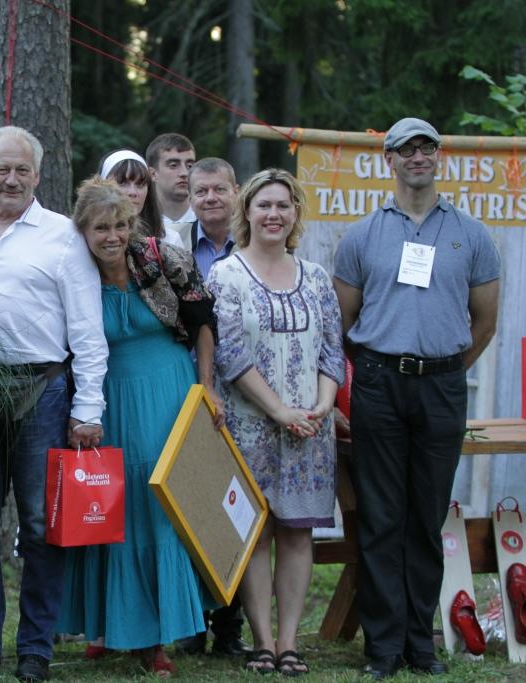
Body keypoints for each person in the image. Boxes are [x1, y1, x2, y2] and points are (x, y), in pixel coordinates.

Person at [333, 118, 500, 680]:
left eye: (427, 147)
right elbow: (345, 322)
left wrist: (443, 371)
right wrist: (380, 374)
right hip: (379, 384)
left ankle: (419, 643)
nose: (418, 156)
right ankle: (382, 648)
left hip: (442, 386)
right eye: (407, 149)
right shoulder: (361, 236)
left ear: (439, 157)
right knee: (381, 517)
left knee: (427, 518)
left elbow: (484, 323)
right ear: (389, 159)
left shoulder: (471, 235)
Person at [0, 125, 108, 682]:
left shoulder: (63, 236)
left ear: (37, 176)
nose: (11, 179)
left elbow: (87, 331)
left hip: (42, 391)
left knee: (40, 525)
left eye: (22, 170)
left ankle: (36, 646)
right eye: (1, 169)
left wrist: (89, 409)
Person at [56, 178, 220, 677]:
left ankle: (157, 637)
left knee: (161, 507)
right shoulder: (72, 272)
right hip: (111, 396)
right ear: (82, 230)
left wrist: (207, 388)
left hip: (169, 388)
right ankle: (111, 626)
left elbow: (203, 322)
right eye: (101, 227)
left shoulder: (163, 258)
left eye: (121, 225)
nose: (113, 235)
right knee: (110, 511)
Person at [206, 168, 345, 676]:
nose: (273, 214)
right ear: (247, 212)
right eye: (263, 205)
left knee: (296, 534)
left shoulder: (316, 277)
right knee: (254, 534)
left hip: (310, 429)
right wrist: (279, 410)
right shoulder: (227, 275)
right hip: (248, 427)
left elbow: (333, 348)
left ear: (294, 214)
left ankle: (289, 643)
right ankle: (261, 641)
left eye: (283, 205)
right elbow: (230, 354)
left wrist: (323, 404)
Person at [173, 157, 248, 659]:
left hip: (247, 391)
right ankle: (191, 620)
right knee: (193, 499)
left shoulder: (260, 237)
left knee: (236, 508)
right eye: (201, 192)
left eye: (219, 189)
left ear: (236, 191)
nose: (211, 199)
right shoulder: (176, 246)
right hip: (191, 388)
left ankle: (231, 626)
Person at [98, 149, 184, 248]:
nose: (133, 192)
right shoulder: (84, 237)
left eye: (140, 184)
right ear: (103, 188)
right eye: (122, 183)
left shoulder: (170, 241)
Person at [145, 133, 197, 245]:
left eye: (190, 166)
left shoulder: (208, 219)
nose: (184, 173)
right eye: (173, 165)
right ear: (153, 174)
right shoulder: (141, 224)